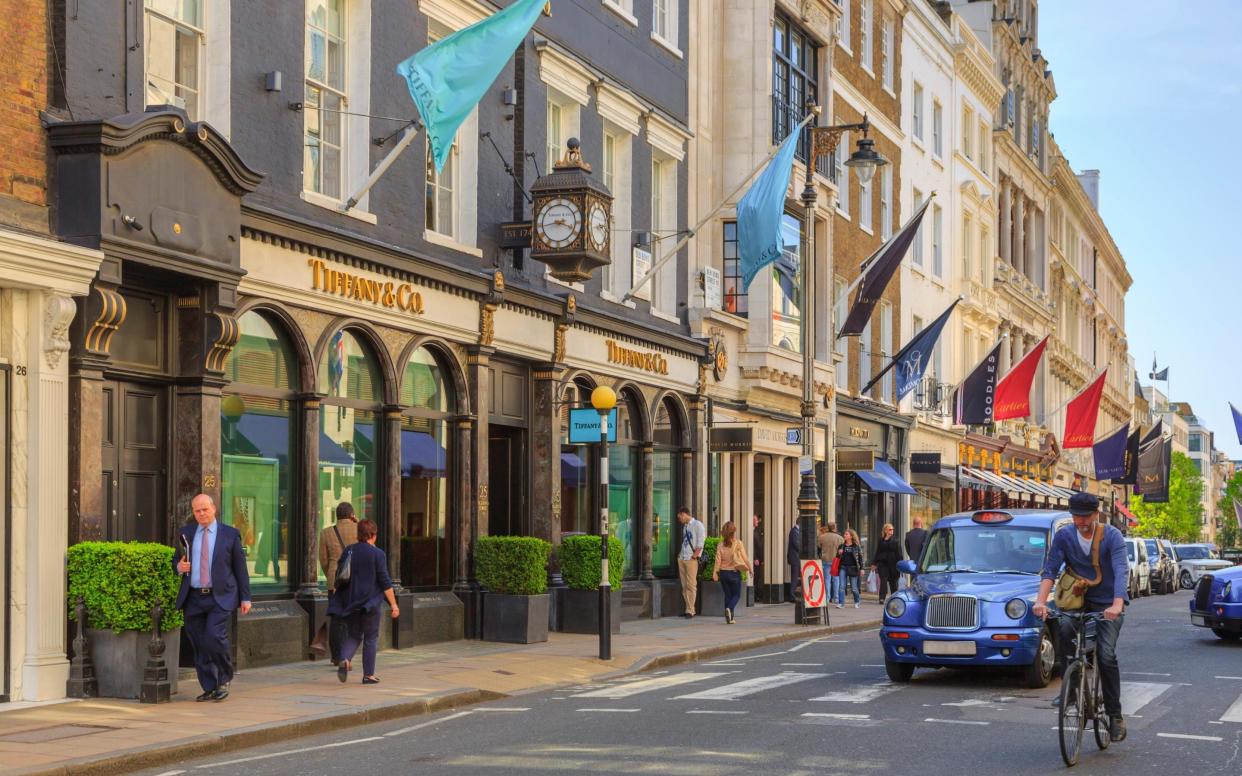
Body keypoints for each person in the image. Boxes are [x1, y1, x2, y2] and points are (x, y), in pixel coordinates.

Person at [1034, 491, 1129, 742]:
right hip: (1075, 602)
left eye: (1086, 516)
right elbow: (1050, 569)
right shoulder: (1065, 536)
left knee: (1106, 655)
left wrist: (1117, 603)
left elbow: (1121, 570)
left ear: (1097, 514)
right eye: (1076, 517)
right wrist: (1041, 602)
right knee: (1063, 628)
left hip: (1107, 603)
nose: (1081, 522)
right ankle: (1072, 689)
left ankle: (1114, 715)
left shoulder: (1112, 536)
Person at [172, 494, 251, 702]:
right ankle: (210, 686)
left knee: (214, 636)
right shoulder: (186, 534)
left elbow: (240, 568)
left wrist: (245, 597)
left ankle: (224, 678)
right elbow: (176, 561)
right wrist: (179, 567)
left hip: (220, 597)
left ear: (213, 509)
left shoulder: (230, 534)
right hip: (193, 597)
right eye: (197, 511)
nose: (201, 514)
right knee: (198, 643)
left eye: (205, 509)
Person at [329, 519, 399, 684]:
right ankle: (368, 675)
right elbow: (385, 582)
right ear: (374, 535)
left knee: (354, 635)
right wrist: (394, 605)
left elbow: (340, 574)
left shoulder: (349, 551)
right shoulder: (378, 554)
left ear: (358, 534)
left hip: (350, 601)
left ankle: (345, 659)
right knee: (370, 637)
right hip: (370, 603)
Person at [317, 502, 359, 665]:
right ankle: (347, 655)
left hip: (336, 581)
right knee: (354, 618)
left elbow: (323, 559)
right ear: (352, 515)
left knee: (337, 618)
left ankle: (336, 656)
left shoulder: (326, 532)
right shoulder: (359, 529)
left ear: (337, 515)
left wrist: (332, 573)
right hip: (356, 579)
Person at [712, 521, 750, 624]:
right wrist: (750, 569)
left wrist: (715, 572)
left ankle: (730, 618)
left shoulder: (720, 545)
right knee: (736, 595)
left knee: (728, 595)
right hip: (734, 573)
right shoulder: (738, 543)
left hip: (723, 574)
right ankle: (729, 608)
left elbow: (717, 560)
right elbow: (745, 558)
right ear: (733, 532)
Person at [676, 507, 706, 618]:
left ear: (684, 514)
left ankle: (691, 610)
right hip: (682, 558)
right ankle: (688, 608)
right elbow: (685, 542)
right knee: (684, 586)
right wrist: (680, 555)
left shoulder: (698, 525)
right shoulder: (685, 527)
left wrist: (695, 555)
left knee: (691, 585)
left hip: (691, 559)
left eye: (680, 518)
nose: (680, 520)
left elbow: (701, 541)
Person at [871, 523, 901, 600]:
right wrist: (874, 563)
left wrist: (901, 564)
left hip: (893, 564)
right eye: (890, 529)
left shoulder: (896, 541)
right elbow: (878, 552)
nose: (892, 531)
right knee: (883, 580)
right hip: (882, 564)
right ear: (885, 531)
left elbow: (899, 554)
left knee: (893, 582)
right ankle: (882, 598)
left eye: (893, 529)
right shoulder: (880, 540)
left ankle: (894, 597)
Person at [836, 529, 863, 608]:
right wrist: (838, 553)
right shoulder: (841, 546)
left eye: (846, 534)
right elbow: (837, 557)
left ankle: (857, 601)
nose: (844, 535)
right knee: (841, 586)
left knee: (854, 588)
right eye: (845, 534)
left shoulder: (856, 546)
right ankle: (841, 603)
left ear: (851, 536)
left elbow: (860, 558)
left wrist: (862, 569)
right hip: (843, 567)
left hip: (853, 568)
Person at [818, 522, 844, 605]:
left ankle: (827, 598)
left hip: (825, 559)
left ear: (828, 527)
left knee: (827, 579)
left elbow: (818, 547)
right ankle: (836, 598)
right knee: (836, 580)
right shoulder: (840, 538)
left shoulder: (822, 537)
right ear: (835, 527)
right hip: (836, 560)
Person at [787, 521, 802, 601]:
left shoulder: (797, 531)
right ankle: (792, 595)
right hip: (794, 558)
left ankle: (794, 593)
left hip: (796, 558)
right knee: (795, 577)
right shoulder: (794, 531)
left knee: (796, 577)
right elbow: (796, 544)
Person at [752, 514, 765, 591]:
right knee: (755, 577)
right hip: (756, 559)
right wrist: (755, 558)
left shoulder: (756, 531)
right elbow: (752, 546)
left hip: (759, 559)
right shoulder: (752, 532)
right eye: (756, 520)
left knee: (757, 577)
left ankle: (756, 593)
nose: (757, 522)